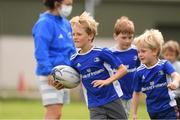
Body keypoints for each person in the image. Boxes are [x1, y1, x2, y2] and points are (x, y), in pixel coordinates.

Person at [69, 12, 127, 119]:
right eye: (73, 34)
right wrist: (60, 83)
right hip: (94, 104)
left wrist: (107, 81)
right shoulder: (74, 60)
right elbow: (72, 78)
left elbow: (123, 69)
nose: (75, 37)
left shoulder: (102, 52)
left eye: (79, 34)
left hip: (112, 99)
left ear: (90, 35)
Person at [32, 0, 76, 119]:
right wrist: (49, 72)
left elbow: (72, 49)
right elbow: (41, 52)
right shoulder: (44, 23)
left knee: (57, 114)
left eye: (71, 4)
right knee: (54, 112)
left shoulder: (66, 23)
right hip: (50, 75)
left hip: (65, 75)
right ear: (57, 3)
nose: (70, 7)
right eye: (67, 3)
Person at [132, 29, 180, 119]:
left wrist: (175, 83)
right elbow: (136, 93)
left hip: (168, 109)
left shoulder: (164, 65)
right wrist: (134, 113)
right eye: (138, 52)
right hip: (152, 112)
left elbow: (176, 75)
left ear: (154, 51)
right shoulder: (139, 72)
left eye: (143, 51)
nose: (140, 54)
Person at [110, 16, 140, 117]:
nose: (127, 41)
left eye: (130, 37)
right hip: (116, 94)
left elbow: (140, 69)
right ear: (115, 36)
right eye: (124, 37)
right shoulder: (110, 53)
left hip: (131, 94)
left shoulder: (136, 51)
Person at [162, 40, 180, 116]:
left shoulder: (178, 66)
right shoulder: (162, 65)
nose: (168, 57)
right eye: (167, 55)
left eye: (171, 55)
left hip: (177, 97)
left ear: (176, 55)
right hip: (166, 97)